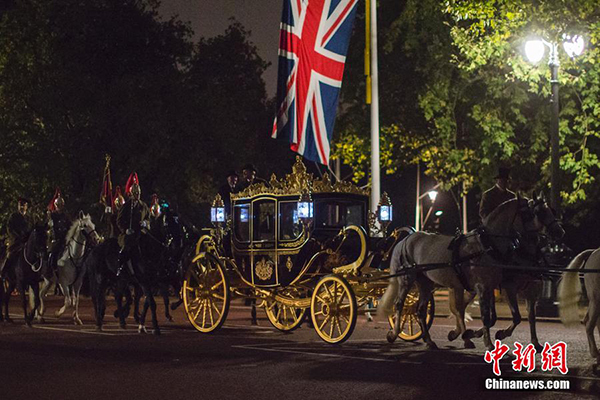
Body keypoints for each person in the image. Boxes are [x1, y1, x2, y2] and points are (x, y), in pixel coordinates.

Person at [116, 173, 150, 276]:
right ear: (131, 194)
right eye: (135, 194)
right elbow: (119, 220)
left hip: (141, 232)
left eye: (138, 194)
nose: (137, 196)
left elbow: (148, 218)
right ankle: (120, 266)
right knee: (127, 246)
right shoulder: (126, 206)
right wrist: (125, 229)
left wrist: (145, 223)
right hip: (129, 234)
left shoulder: (143, 206)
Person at [1, 197, 34, 274]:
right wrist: (17, 237)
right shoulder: (14, 216)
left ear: (26, 206)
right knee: (10, 254)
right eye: (20, 205)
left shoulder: (29, 218)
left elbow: (32, 229)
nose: (22, 207)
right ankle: (5, 272)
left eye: (23, 205)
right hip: (16, 242)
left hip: (27, 241)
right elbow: (10, 228)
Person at [47, 188, 71, 272]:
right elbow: (51, 227)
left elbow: (69, 226)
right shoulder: (52, 216)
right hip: (56, 238)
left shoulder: (66, 215)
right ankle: (52, 268)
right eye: (58, 205)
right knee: (54, 252)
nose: (60, 207)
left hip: (65, 238)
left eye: (61, 205)